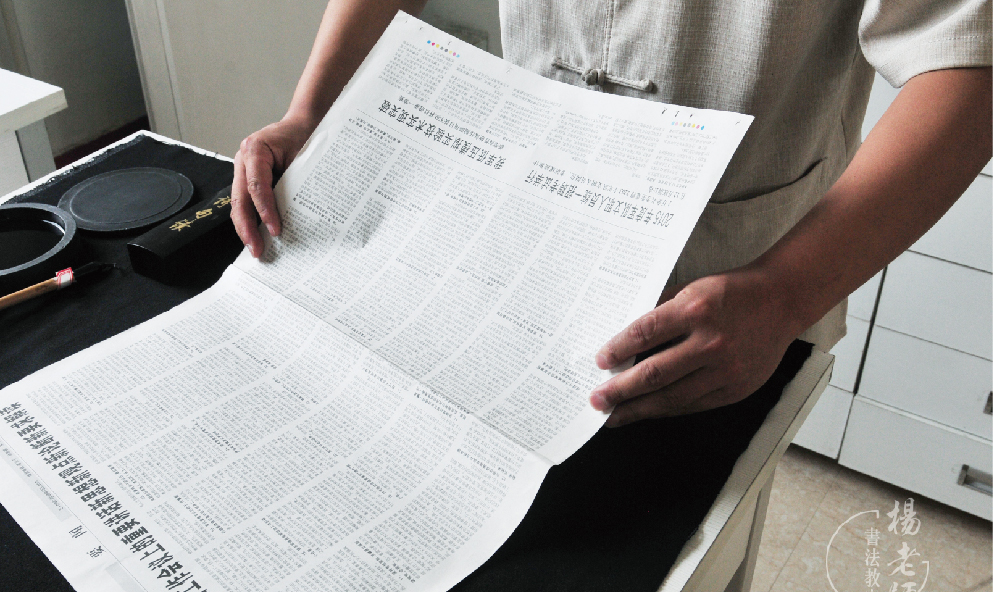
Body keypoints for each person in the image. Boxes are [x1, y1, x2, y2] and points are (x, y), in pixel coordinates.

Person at [230, 0, 991, 428]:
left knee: (685, 554)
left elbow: (967, 57)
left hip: (740, 283)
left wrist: (787, 292)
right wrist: (312, 110)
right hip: (522, 234)